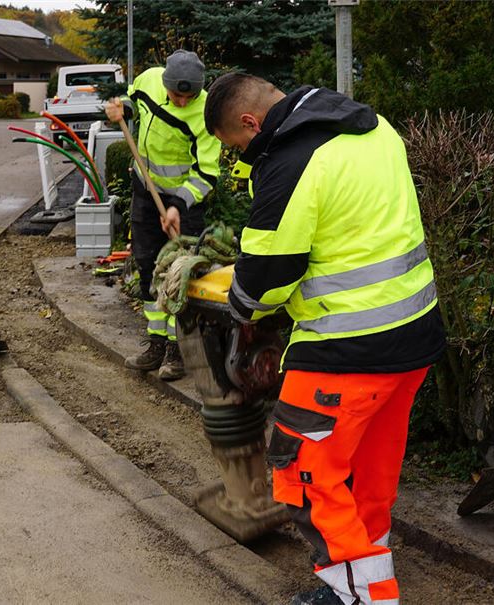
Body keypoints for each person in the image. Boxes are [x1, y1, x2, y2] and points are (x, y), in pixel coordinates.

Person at [204, 73, 446, 605]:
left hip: (345, 347)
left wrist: (239, 306)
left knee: (303, 475)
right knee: (367, 474)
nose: (242, 156)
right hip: (413, 336)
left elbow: (266, 277)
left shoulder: (291, 163)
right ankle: (367, 566)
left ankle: (361, 596)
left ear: (250, 122)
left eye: (237, 146)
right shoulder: (374, 126)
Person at [106, 50, 221, 381]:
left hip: (185, 199)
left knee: (179, 272)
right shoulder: (148, 81)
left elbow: (207, 173)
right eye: (176, 95)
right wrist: (119, 109)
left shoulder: (207, 113)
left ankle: (178, 350)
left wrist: (178, 205)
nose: (183, 102)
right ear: (165, 84)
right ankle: (156, 343)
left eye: (190, 96)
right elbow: (130, 102)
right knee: (147, 266)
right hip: (146, 189)